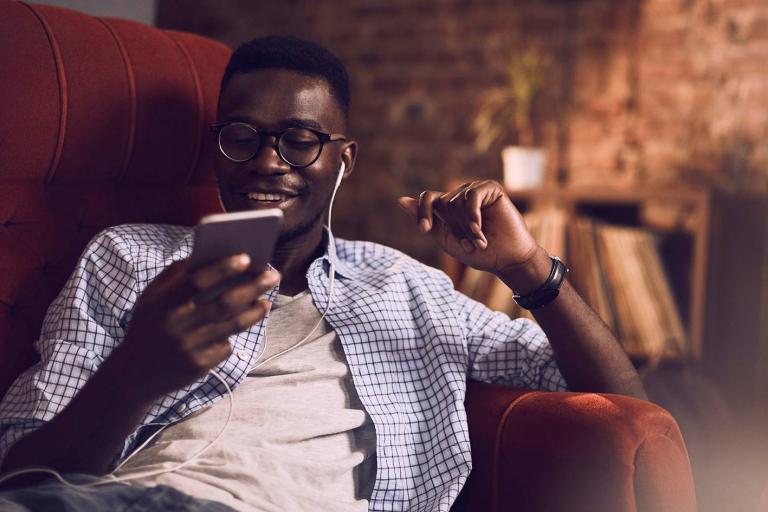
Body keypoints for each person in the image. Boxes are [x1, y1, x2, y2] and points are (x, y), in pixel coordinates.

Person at [0, 36, 646, 512]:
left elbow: (625, 401)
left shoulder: (404, 286)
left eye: (300, 139)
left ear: (345, 159)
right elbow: (22, 473)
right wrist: (134, 375)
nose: (267, 162)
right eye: (242, 136)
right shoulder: (129, 258)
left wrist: (527, 268)